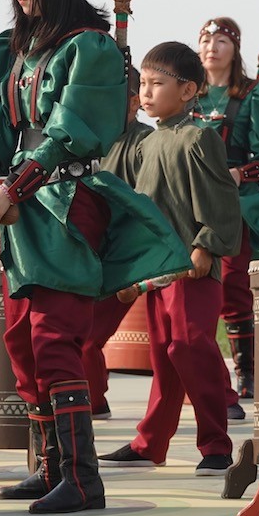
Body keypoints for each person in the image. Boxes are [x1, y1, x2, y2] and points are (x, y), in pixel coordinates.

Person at [0, 0, 189, 513]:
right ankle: (52, 468)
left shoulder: (92, 49)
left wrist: (14, 188)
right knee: (21, 344)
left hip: (68, 205)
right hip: (24, 211)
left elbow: (70, 133)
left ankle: (82, 479)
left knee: (54, 340)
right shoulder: (14, 49)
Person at [98, 42, 243, 475]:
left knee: (190, 346)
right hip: (159, 269)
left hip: (194, 267)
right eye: (142, 83)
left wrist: (207, 244)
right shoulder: (147, 143)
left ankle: (216, 444)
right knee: (164, 354)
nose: (145, 92)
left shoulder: (199, 138)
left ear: (188, 90)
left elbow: (221, 200)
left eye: (156, 83)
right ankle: (150, 443)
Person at [195, 16, 259, 402]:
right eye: (205, 39)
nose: (211, 46)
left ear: (235, 49)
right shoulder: (187, 92)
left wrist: (238, 173)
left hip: (238, 203)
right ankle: (198, 372)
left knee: (233, 287)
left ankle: (246, 372)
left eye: (221, 40)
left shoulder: (256, 93)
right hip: (193, 202)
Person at [82, 69, 154, 419]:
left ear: (133, 100)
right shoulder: (90, 138)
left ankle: (92, 403)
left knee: (87, 336)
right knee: (80, 333)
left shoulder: (145, 142)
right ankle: (92, 401)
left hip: (124, 257)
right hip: (91, 253)